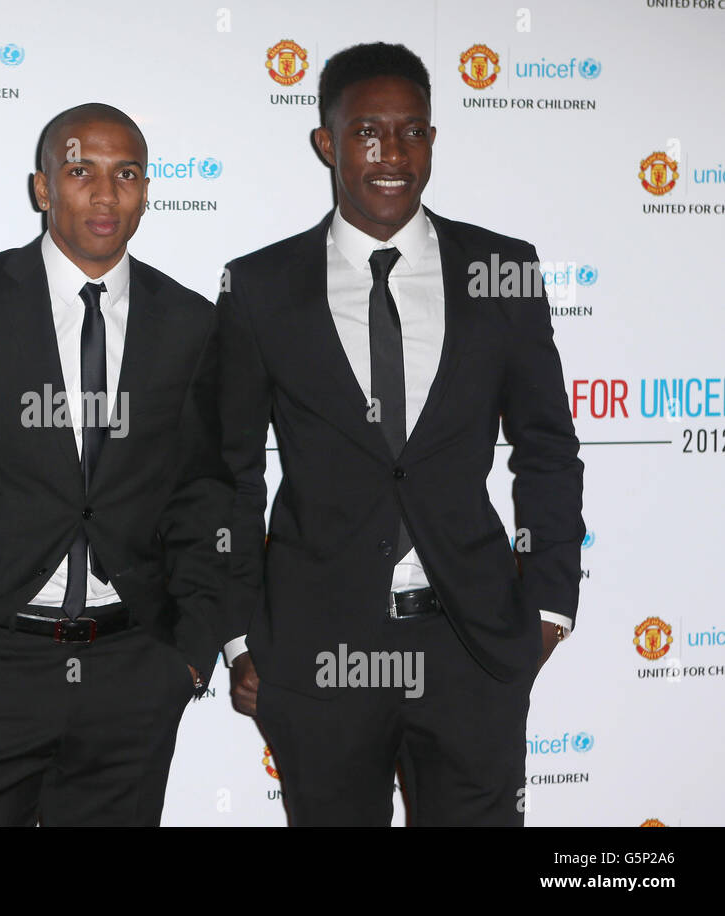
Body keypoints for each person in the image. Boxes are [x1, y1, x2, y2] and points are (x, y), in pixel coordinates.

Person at [218, 43, 584, 826]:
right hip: (318, 653)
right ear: (327, 141)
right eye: (368, 132)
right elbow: (230, 474)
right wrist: (241, 637)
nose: (393, 154)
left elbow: (547, 446)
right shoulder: (260, 286)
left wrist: (549, 605)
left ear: (432, 139)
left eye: (413, 131)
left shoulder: (502, 269)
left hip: (471, 645)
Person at [0, 103, 231, 826]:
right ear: (42, 188)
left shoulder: (188, 322)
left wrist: (187, 651)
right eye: (80, 170)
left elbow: (205, 492)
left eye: (126, 175)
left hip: (132, 669)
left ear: (147, 190)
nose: (104, 194)